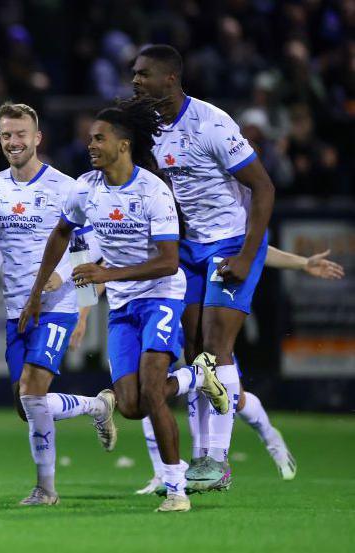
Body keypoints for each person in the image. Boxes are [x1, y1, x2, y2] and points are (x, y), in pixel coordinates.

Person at [25, 96, 226, 513]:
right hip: (122, 305)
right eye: (89, 139)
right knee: (132, 405)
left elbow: (169, 261)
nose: (91, 145)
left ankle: (175, 490)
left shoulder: (153, 191)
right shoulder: (86, 188)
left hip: (162, 294)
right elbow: (62, 233)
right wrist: (36, 291)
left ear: (124, 145)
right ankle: (196, 376)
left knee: (153, 391)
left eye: (100, 139)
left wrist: (106, 275)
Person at [133, 44, 277, 491]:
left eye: (143, 74)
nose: (136, 81)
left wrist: (248, 255)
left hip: (231, 242)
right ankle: (198, 459)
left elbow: (264, 188)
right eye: (133, 74)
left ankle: (218, 461)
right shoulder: (152, 128)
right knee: (194, 353)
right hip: (190, 247)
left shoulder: (212, 123)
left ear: (170, 79)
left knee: (217, 346)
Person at [0, 102, 116, 507]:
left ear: (37, 138)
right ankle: (96, 406)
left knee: (34, 392)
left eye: (20, 134)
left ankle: (46, 489)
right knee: (26, 405)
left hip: (58, 304)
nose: (13, 142)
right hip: (17, 307)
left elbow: (92, 248)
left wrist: (77, 298)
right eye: (6, 135)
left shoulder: (68, 188)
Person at [132, 246, 345, 494]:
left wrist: (302, 262)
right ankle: (164, 471)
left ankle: (269, 438)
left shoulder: (202, 228)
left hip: (194, 318)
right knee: (148, 387)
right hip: (159, 313)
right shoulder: (152, 223)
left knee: (235, 398)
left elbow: (250, 246)